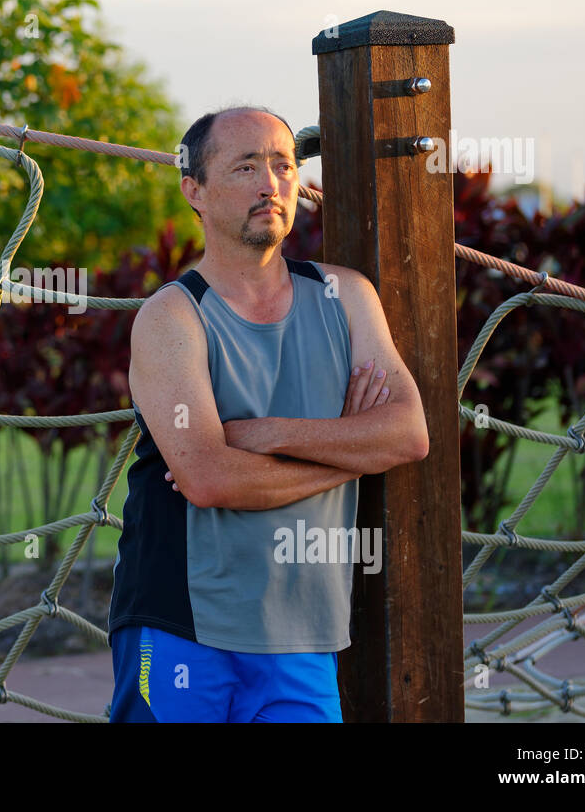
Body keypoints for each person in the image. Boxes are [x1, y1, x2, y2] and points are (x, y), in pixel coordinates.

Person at [107, 105, 430, 722]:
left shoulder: (347, 296)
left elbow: (408, 434)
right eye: (245, 166)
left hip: (304, 634)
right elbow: (208, 479)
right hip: (183, 623)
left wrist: (264, 434)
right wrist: (351, 450)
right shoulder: (171, 317)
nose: (269, 183)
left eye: (283, 165)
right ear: (194, 191)